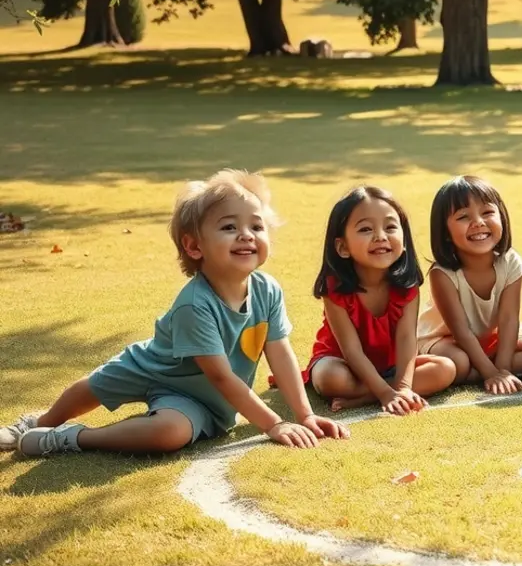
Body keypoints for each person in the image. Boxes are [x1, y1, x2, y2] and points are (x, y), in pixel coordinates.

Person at [3, 170, 349, 457]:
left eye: (256, 227)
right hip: (151, 366)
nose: (246, 235)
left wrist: (304, 415)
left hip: (194, 398)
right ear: (194, 246)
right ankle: (41, 422)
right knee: (90, 389)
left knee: (169, 433)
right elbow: (222, 377)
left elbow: (281, 353)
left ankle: (72, 438)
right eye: (229, 227)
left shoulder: (268, 290)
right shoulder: (194, 305)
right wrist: (274, 423)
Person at [303, 186, 456, 414]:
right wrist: (385, 393)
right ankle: (378, 391)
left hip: (390, 367)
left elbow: (406, 339)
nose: (380, 237)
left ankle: (363, 397)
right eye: (365, 229)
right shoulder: (334, 288)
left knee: (446, 368)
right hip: (343, 363)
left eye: (391, 227)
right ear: (342, 247)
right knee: (329, 379)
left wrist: (403, 388)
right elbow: (351, 350)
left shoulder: (407, 284)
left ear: (403, 241)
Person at [417, 176, 522, 394]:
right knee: (458, 362)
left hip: (492, 341)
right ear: (445, 233)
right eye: (463, 216)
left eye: (487, 213)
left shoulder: (511, 262)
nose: (478, 222)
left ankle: (477, 370)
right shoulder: (443, 274)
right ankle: (475, 369)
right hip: (448, 340)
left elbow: (509, 320)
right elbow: (460, 331)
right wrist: (490, 373)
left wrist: (504, 369)